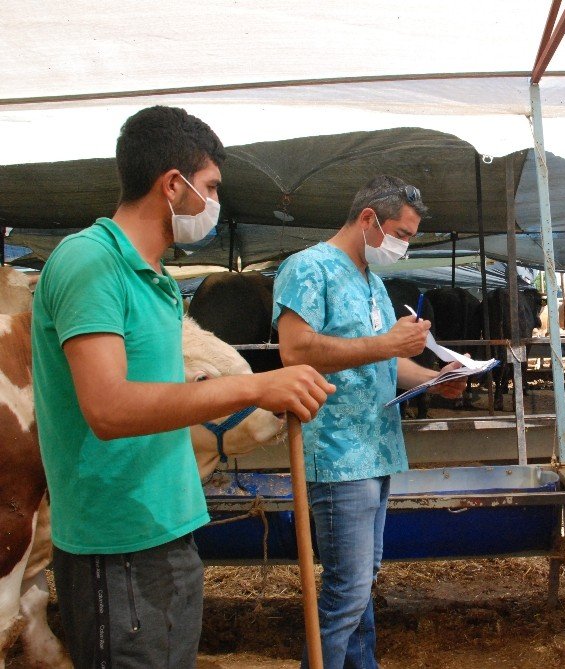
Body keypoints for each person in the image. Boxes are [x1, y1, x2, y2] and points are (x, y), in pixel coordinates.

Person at [31, 105, 335, 669]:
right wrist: (251, 388)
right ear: (173, 185)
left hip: (169, 526)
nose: (214, 205)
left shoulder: (159, 284)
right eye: (211, 187)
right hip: (116, 544)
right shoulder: (91, 263)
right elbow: (109, 408)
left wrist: (192, 381)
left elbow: (148, 389)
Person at [274, 175, 466, 668]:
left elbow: (387, 361)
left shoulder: (374, 283)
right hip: (336, 451)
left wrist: (432, 377)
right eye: (400, 233)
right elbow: (296, 349)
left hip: (376, 449)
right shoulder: (307, 268)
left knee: (361, 583)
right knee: (346, 591)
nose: (403, 245)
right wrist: (387, 345)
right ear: (367, 220)